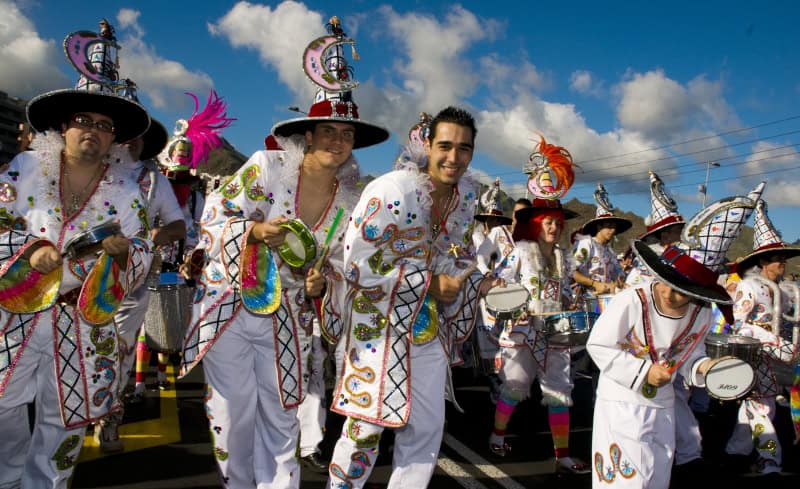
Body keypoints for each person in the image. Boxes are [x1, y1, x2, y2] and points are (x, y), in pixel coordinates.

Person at [180, 17, 389, 488]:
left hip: (291, 319)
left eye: (347, 134)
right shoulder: (267, 168)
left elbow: (340, 266)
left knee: (282, 417)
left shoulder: (350, 201)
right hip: (231, 307)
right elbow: (212, 219)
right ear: (308, 135)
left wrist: (323, 283)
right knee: (232, 418)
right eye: (329, 132)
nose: (338, 142)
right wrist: (253, 231)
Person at [0, 25, 153, 486]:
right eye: (84, 120)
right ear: (64, 127)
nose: (93, 131)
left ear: (114, 140)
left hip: (83, 322)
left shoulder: (129, 194)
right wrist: (30, 252)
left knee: (65, 420)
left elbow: (144, 252)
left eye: (104, 126)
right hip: (16, 312)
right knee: (3, 405)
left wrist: (126, 254)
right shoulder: (22, 170)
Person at [326, 106, 501, 489]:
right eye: (445, 146)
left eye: (464, 148)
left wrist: (476, 282)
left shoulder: (465, 199)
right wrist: (428, 282)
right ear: (427, 145)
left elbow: (452, 255)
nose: (453, 157)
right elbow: (356, 261)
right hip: (377, 329)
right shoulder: (393, 189)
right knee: (365, 431)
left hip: (426, 330)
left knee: (426, 429)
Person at [587, 191, 755, 489]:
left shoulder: (700, 314)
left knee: (656, 478)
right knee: (628, 482)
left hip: (663, 406)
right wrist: (644, 371)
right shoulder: (632, 300)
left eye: (680, 292)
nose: (668, 293)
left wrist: (705, 367)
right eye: (667, 282)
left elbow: (690, 353)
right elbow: (598, 345)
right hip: (621, 403)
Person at [488, 136, 591, 474]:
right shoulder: (520, 253)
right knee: (515, 387)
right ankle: (496, 436)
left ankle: (561, 455)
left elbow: (571, 289)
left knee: (560, 392)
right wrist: (512, 306)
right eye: (548, 221)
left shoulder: (566, 258)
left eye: (558, 223)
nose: (554, 226)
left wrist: (574, 301)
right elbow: (498, 284)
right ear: (536, 223)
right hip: (521, 331)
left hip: (556, 332)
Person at [96, 108, 186, 452]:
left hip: (130, 283)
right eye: (123, 131)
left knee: (118, 350)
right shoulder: (91, 169)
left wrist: (155, 237)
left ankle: (109, 418)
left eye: (137, 133)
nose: (129, 139)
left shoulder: (153, 179)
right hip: (77, 281)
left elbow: (178, 225)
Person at [725, 197, 799, 475]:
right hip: (754, 357)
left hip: (775, 359)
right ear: (765, 261)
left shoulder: (782, 290)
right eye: (779, 258)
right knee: (761, 409)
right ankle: (770, 460)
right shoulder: (749, 286)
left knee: (758, 407)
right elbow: (739, 325)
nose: (783, 263)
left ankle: (735, 453)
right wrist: (771, 340)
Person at [473, 178, 517, 396]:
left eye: (497, 218)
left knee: (508, 337)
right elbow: (479, 257)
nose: (493, 222)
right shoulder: (482, 235)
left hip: (511, 291)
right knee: (489, 335)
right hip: (490, 289)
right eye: (490, 218)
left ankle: (508, 380)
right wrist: (486, 274)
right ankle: (495, 379)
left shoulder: (507, 235)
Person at [572, 183, 631, 296]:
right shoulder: (586, 242)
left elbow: (619, 274)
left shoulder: (611, 252)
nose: (612, 230)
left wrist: (621, 281)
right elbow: (572, 271)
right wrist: (594, 284)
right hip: (587, 298)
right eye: (608, 226)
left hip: (608, 299)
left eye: (614, 227)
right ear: (599, 226)